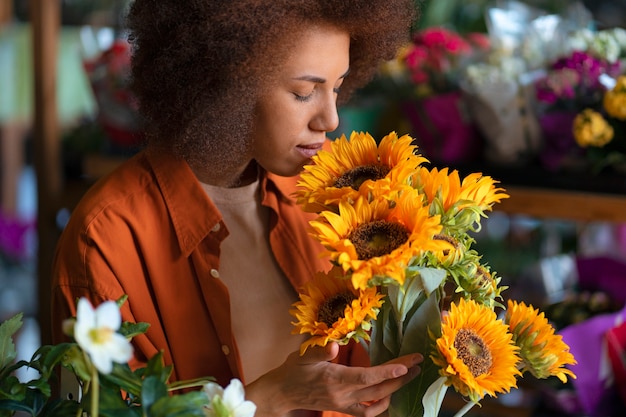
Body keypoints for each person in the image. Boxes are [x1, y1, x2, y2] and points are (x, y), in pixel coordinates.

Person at [51, 1, 422, 417]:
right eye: (303, 93)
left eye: (337, 87)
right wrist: (273, 398)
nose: (331, 119)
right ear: (225, 83)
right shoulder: (105, 240)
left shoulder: (337, 189)